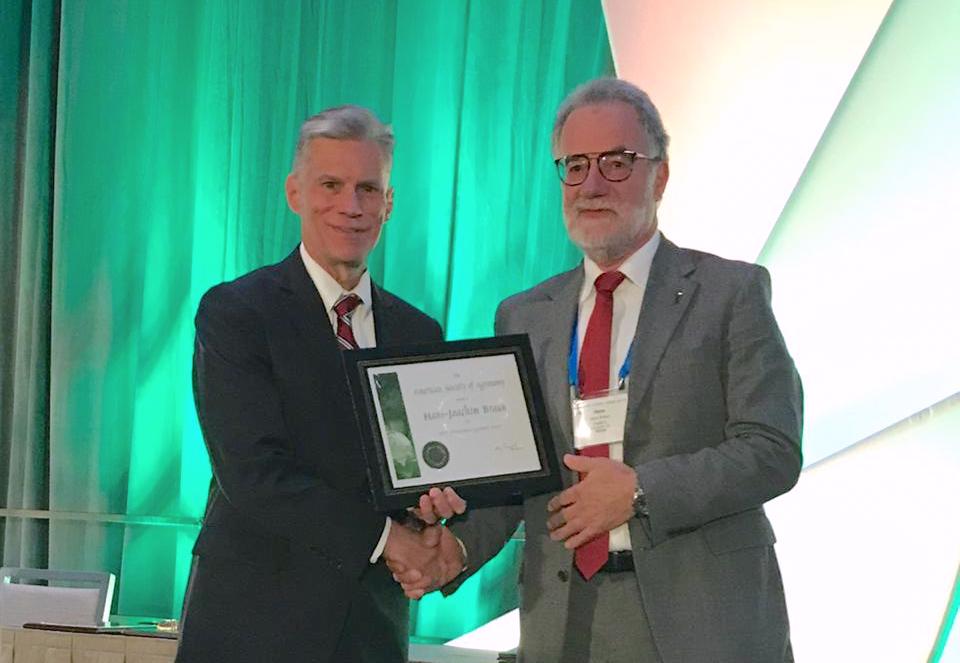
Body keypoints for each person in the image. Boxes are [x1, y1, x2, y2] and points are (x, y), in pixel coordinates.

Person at [403, 78, 803, 662]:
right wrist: (456, 551)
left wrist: (639, 491)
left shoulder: (730, 292)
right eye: (575, 165)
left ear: (659, 177)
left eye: (616, 162)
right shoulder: (523, 314)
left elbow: (772, 449)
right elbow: (518, 475)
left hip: (704, 621)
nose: (592, 185)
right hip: (564, 622)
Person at [176, 105, 464, 663]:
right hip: (253, 628)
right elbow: (255, 475)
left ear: (389, 204)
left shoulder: (418, 331)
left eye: (367, 189)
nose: (350, 206)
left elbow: (420, 467)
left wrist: (438, 511)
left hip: (371, 627)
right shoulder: (238, 312)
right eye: (331, 185)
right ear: (295, 193)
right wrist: (390, 540)